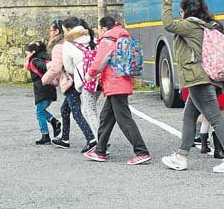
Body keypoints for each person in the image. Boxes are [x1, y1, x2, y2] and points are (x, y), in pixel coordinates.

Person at [160, 0, 224, 173]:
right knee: (189, 116)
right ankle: (181, 157)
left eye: (181, 10)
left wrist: (167, 1)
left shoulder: (191, 25)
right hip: (205, 78)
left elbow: (168, 24)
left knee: (214, 118)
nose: (180, 14)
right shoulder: (207, 26)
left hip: (199, 79)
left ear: (187, 11)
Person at [83, 16, 151, 165]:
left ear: (102, 28)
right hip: (122, 82)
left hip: (114, 83)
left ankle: (141, 151)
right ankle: (99, 150)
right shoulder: (123, 36)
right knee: (106, 118)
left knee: (124, 120)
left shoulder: (108, 40)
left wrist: (89, 75)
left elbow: (99, 62)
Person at [42, 19, 95, 151]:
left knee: (77, 112)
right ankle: (65, 138)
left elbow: (57, 68)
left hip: (71, 82)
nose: (50, 33)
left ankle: (92, 139)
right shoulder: (74, 41)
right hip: (76, 80)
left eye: (51, 30)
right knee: (65, 110)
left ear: (57, 31)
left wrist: (44, 80)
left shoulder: (59, 46)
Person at [61, 17, 100, 153]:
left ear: (67, 29)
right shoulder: (91, 37)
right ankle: (99, 140)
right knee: (90, 109)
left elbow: (69, 68)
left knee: (88, 111)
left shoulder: (68, 44)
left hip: (85, 81)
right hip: (99, 79)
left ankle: (99, 143)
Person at [25, 41, 61, 145]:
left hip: (43, 88)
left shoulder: (36, 60)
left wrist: (30, 59)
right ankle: (54, 122)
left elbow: (44, 68)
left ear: (33, 52)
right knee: (41, 110)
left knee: (39, 112)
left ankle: (45, 134)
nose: (26, 55)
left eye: (27, 52)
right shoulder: (44, 58)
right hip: (48, 88)